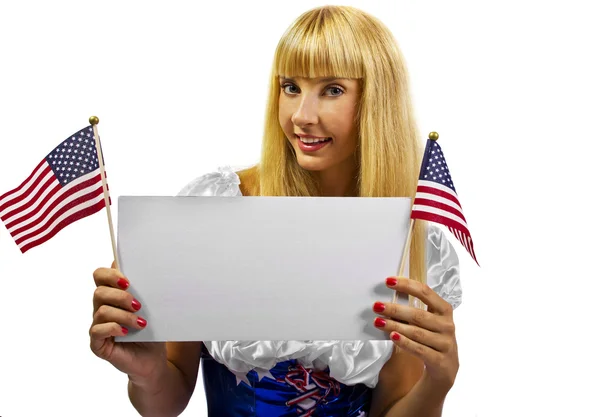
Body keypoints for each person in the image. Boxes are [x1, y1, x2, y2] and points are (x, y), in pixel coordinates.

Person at [90, 5, 463, 417]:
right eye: (290, 87)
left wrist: (438, 382)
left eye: (332, 90)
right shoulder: (215, 210)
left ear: (377, 102)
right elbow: (164, 402)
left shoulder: (408, 240)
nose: (301, 116)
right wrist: (144, 371)